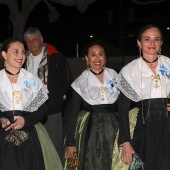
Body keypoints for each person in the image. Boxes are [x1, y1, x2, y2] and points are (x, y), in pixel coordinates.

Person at [0, 38, 63, 170]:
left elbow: (43, 110)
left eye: (23, 52)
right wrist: (1, 119)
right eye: (15, 52)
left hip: (28, 135)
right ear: (4, 54)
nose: (21, 56)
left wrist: (26, 120)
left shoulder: (31, 79)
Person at [116, 24, 170, 170]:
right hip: (146, 126)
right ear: (139, 43)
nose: (152, 43)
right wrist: (126, 142)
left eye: (156, 39)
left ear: (161, 43)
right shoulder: (129, 71)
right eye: (147, 39)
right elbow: (122, 110)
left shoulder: (169, 64)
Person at [64, 42, 120, 170]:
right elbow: (72, 113)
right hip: (90, 128)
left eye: (101, 55)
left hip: (114, 126)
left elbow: (123, 105)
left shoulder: (115, 76)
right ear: (87, 59)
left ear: (105, 58)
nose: (97, 59)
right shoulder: (81, 81)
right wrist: (70, 142)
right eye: (93, 55)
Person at [24, 27, 72, 158]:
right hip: (29, 111)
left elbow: (67, 80)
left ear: (41, 40)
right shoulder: (24, 59)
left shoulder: (55, 57)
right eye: (28, 41)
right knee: (34, 146)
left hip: (51, 109)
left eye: (34, 39)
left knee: (53, 146)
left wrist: (56, 99)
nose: (32, 43)